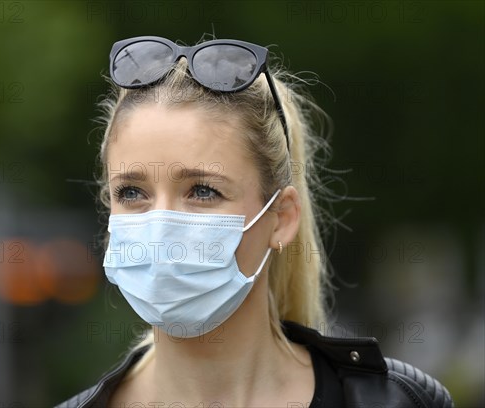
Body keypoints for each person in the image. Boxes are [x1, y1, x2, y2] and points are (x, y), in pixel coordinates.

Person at [56, 36, 453, 407]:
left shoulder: (399, 400)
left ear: (281, 219)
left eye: (203, 190)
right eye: (132, 192)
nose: (161, 226)